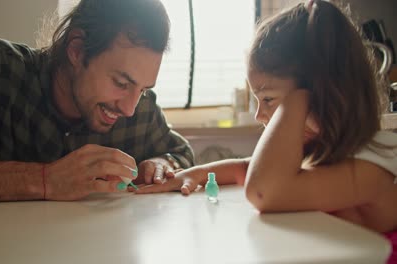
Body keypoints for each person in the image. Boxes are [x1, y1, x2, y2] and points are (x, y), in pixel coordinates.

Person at [135, 0, 397, 261]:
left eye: (268, 100)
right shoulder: (317, 148)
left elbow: (263, 192)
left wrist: (299, 99)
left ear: (320, 92)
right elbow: (244, 169)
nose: (260, 115)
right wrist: (194, 174)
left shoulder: (375, 161)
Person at [0, 0, 194, 206]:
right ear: (76, 50)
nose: (129, 108)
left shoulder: (140, 110)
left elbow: (180, 153)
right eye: (121, 83)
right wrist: (44, 179)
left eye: (143, 89)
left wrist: (162, 163)